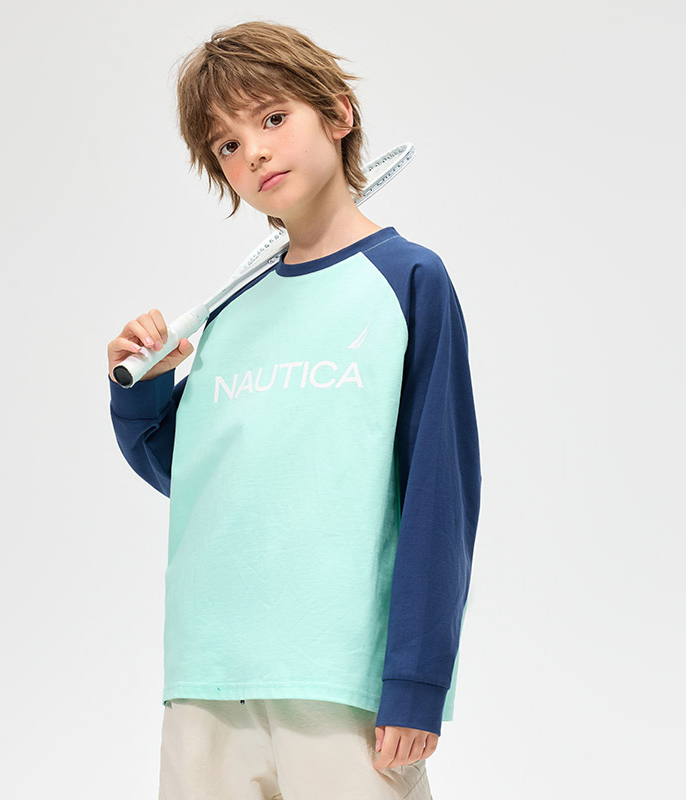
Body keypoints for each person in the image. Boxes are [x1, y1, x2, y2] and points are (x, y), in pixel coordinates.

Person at [107, 20, 481, 800]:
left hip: (339, 682)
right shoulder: (232, 308)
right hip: (208, 680)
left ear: (338, 114)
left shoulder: (408, 281)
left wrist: (417, 681)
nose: (254, 152)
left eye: (273, 118)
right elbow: (197, 477)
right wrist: (141, 390)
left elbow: (439, 494)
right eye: (227, 144)